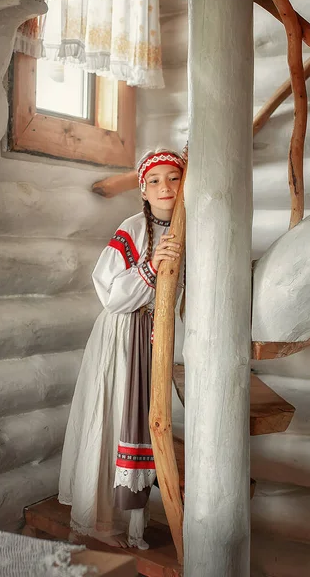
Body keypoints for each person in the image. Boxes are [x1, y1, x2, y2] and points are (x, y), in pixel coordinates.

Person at [58, 148, 185, 550]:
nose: (164, 187)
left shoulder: (190, 229)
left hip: (157, 336)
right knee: (116, 416)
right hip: (122, 335)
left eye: (173, 178)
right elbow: (112, 298)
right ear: (143, 192)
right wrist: (150, 268)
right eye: (154, 181)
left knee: (152, 421)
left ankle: (139, 525)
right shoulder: (132, 229)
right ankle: (103, 520)